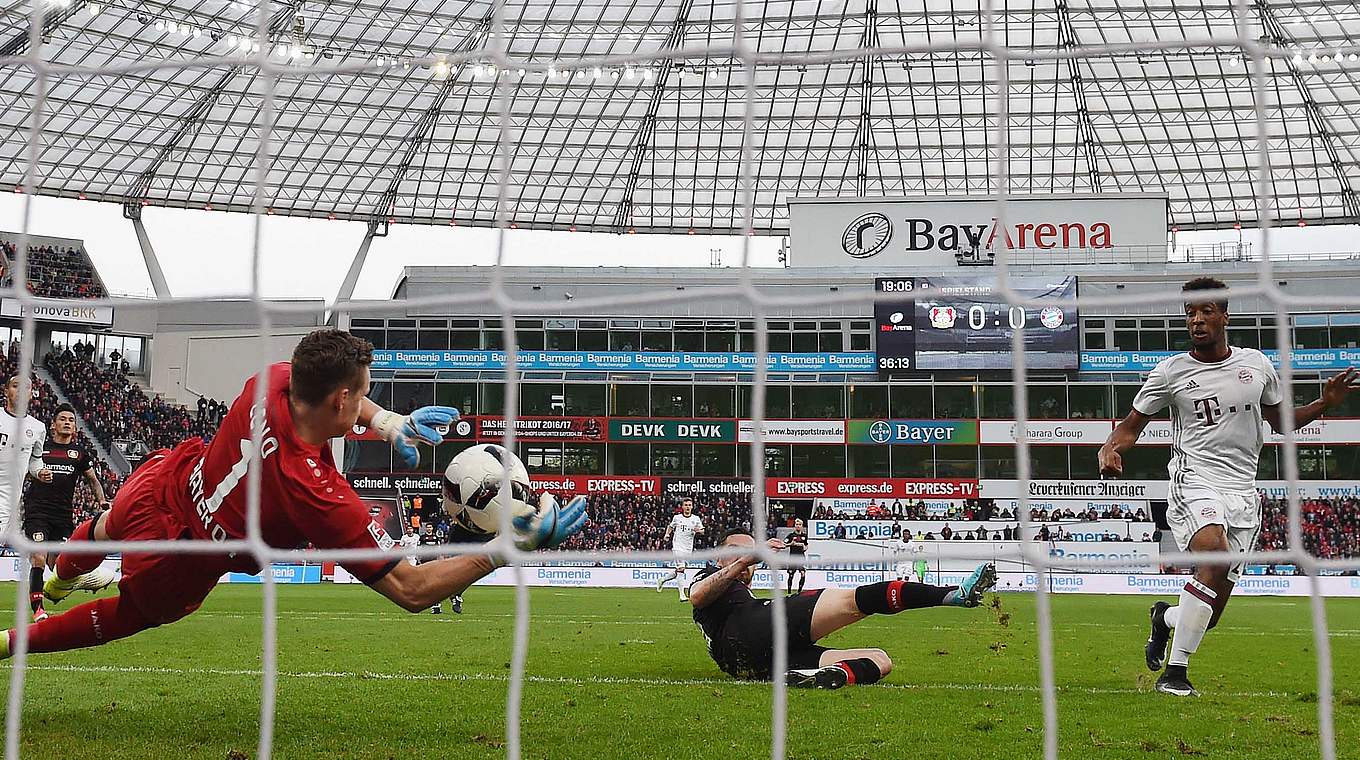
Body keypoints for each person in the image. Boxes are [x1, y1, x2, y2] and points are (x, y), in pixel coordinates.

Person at [2, 329, 586, 659]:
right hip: (188, 551)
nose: (364, 403)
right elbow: (411, 590)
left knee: (104, 527)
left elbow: (329, 394)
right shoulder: (316, 491)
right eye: (361, 396)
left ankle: (54, 580)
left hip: (170, 479)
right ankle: (10, 644)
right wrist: (504, 549)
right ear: (338, 401)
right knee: (126, 615)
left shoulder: (275, 378)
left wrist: (387, 423)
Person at [1099, 277, 1358, 698]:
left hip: (1243, 493)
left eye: (1205, 312)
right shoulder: (1171, 373)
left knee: (1209, 612)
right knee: (1213, 559)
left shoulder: (1256, 365)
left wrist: (1325, 403)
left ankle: (1163, 618)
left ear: (1224, 316)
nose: (1197, 320)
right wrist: (1110, 449)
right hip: (1195, 479)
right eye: (1189, 313)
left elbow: (1282, 423)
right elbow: (1130, 427)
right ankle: (1175, 674)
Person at [689, 529, 997, 689]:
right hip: (751, 632)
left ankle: (827, 676)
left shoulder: (738, 594)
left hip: (751, 664)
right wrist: (746, 559)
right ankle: (954, 595)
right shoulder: (707, 576)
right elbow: (697, 596)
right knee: (856, 600)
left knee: (880, 660)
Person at [23, 403, 113, 622]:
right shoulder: (40, 449)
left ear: (75, 428)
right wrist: (33, 476)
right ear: (53, 425)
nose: (67, 422)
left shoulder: (79, 454)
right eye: (62, 419)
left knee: (61, 568)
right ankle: (38, 611)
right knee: (38, 557)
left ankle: (79, 580)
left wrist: (102, 500)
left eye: (71, 420)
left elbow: (92, 479)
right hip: (37, 513)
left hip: (62, 516)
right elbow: (22, 472)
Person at [0, 374, 52, 540]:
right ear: (6, 391)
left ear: (31, 394)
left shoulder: (37, 428)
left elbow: (36, 460)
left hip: (10, 498)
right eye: (16, 386)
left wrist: (40, 472)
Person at [656, 497, 704, 601]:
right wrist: (667, 534)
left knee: (680, 570)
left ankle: (662, 579)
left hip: (688, 548)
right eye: (686, 505)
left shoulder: (696, 519)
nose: (687, 507)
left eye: (689, 505)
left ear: (692, 507)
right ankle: (682, 595)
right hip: (678, 546)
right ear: (682, 507)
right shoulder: (677, 518)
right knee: (681, 569)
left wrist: (698, 530)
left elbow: (702, 531)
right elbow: (670, 526)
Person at [785, 518, 808, 594]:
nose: (798, 526)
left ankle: (799, 592)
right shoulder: (791, 536)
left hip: (801, 558)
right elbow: (784, 544)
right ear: (794, 526)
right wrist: (790, 544)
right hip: (792, 558)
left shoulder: (804, 536)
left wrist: (805, 548)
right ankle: (789, 593)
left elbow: (806, 545)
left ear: (802, 526)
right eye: (797, 524)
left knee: (803, 573)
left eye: (799, 525)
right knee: (791, 574)